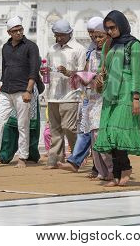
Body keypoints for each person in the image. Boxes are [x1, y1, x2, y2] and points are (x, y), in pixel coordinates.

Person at [0, 16, 40, 168]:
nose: (18, 33)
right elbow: (5, 68)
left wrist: (29, 90)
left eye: (20, 29)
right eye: (15, 31)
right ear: (9, 32)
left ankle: (22, 158)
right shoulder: (5, 47)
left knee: (22, 125)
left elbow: (34, 70)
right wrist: (1, 85)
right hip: (6, 91)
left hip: (23, 90)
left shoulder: (31, 46)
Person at [93, 10, 140, 187]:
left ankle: (126, 169)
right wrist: (99, 79)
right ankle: (115, 174)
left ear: (121, 25)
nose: (110, 31)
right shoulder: (110, 45)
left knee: (119, 133)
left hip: (126, 92)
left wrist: (136, 98)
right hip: (110, 92)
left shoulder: (133, 45)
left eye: (113, 27)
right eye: (107, 28)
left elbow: (136, 73)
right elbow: (102, 68)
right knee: (109, 133)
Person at [58, 17, 113, 180]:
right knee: (90, 132)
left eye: (99, 35)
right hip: (91, 96)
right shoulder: (93, 52)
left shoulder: (112, 53)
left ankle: (110, 169)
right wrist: (73, 75)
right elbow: (86, 72)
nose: (95, 39)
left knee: (98, 133)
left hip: (105, 98)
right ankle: (101, 170)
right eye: (92, 35)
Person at [44, 19, 87, 169]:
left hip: (71, 95)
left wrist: (68, 72)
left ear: (69, 33)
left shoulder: (78, 49)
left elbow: (83, 74)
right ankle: (55, 160)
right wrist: (44, 72)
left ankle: (78, 156)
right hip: (53, 94)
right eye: (56, 35)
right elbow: (47, 69)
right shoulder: (52, 49)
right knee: (55, 130)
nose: (59, 38)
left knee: (69, 128)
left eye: (61, 35)